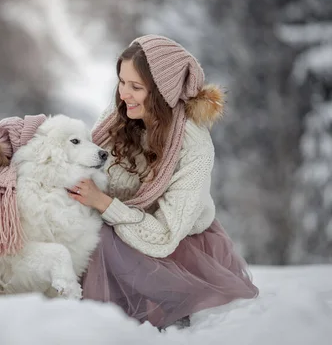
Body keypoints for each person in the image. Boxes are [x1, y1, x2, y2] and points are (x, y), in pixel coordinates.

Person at [66, 35, 259, 329]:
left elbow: (165, 234)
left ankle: (160, 306)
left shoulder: (193, 146)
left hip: (173, 248)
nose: (123, 95)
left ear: (161, 92)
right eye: (121, 82)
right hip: (121, 227)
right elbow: (87, 161)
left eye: (136, 87)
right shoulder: (119, 117)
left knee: (101, 238)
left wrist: (103, 204)